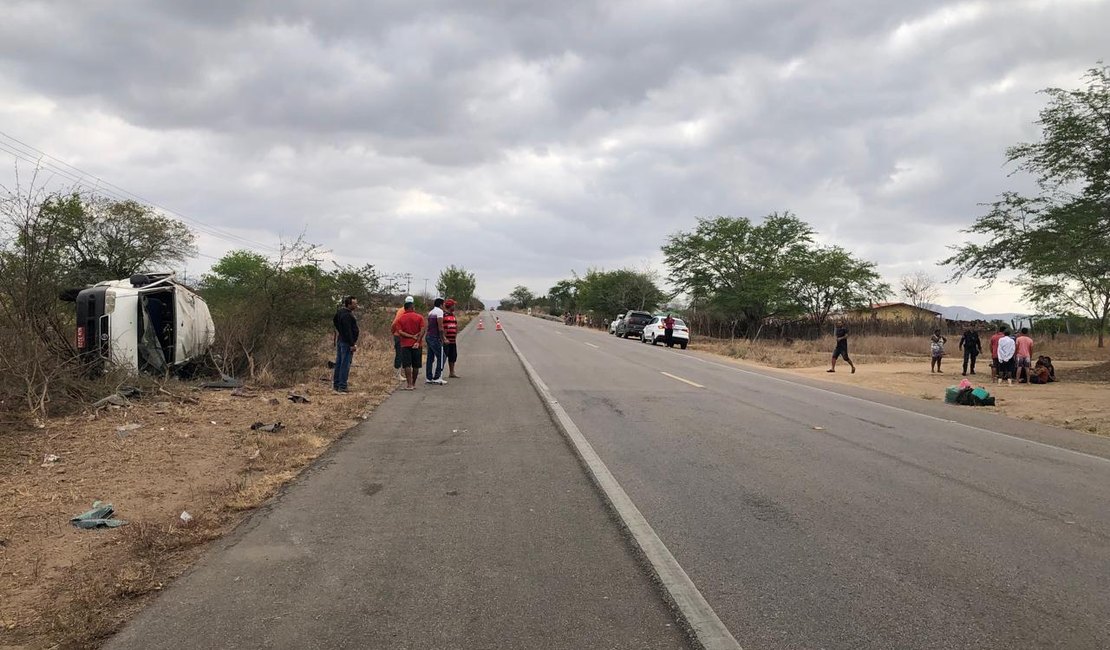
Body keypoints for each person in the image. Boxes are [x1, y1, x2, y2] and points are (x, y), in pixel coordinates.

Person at [392, 297, 425, 390]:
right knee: (416, 365)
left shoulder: (400, 318)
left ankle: (409, 384)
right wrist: (417, 340)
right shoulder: (419, 317)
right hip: (417, 344)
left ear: (405, 308)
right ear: (412, 307)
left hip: (405, 344)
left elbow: (400, 332)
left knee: (407, 365)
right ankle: (414, 383)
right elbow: (423, 329)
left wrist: (410, 336)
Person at [332, 296, 359, 393]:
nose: (356, 305)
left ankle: (336, 384)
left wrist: (340, 330)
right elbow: (348, 331)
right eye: (354, 304)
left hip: (341, 340)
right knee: (345, 364)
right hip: (346, 342)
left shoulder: (340, 312)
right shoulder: (347, 315)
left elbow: (335, 320)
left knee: (339, 363)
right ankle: (342, 386)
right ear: (349, 304)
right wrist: (352, 344)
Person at [425, 298, 447, 385]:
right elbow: (440, 327)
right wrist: (443, 338)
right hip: (434, 337)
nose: (444, 306)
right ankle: (437, 377)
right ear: (441, 305)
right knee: (442, 356)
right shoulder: (439, 312)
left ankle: (429, 377)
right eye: (444, 304)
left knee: (430, 358)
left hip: (429, 336)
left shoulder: (430, 312)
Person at [443, 298, 460, 378]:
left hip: (453, 340)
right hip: (445, 340)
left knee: (453, 356)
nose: (454, 307)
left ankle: (452, 372)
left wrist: (456, 332)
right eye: (453, 305)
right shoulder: (443, 315)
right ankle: (439, 373)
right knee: (443, 356)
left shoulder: (453, 315)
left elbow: (456, 325)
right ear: (450, 306)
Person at [391, 302, 408, 381]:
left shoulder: (404, 310)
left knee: (403, 354)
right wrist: (394, 331)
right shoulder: (402, 311)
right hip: (399, 335)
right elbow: (394, 323)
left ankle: (401, 372)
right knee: (399, 354)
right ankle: (397, 374)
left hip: (404, 336)